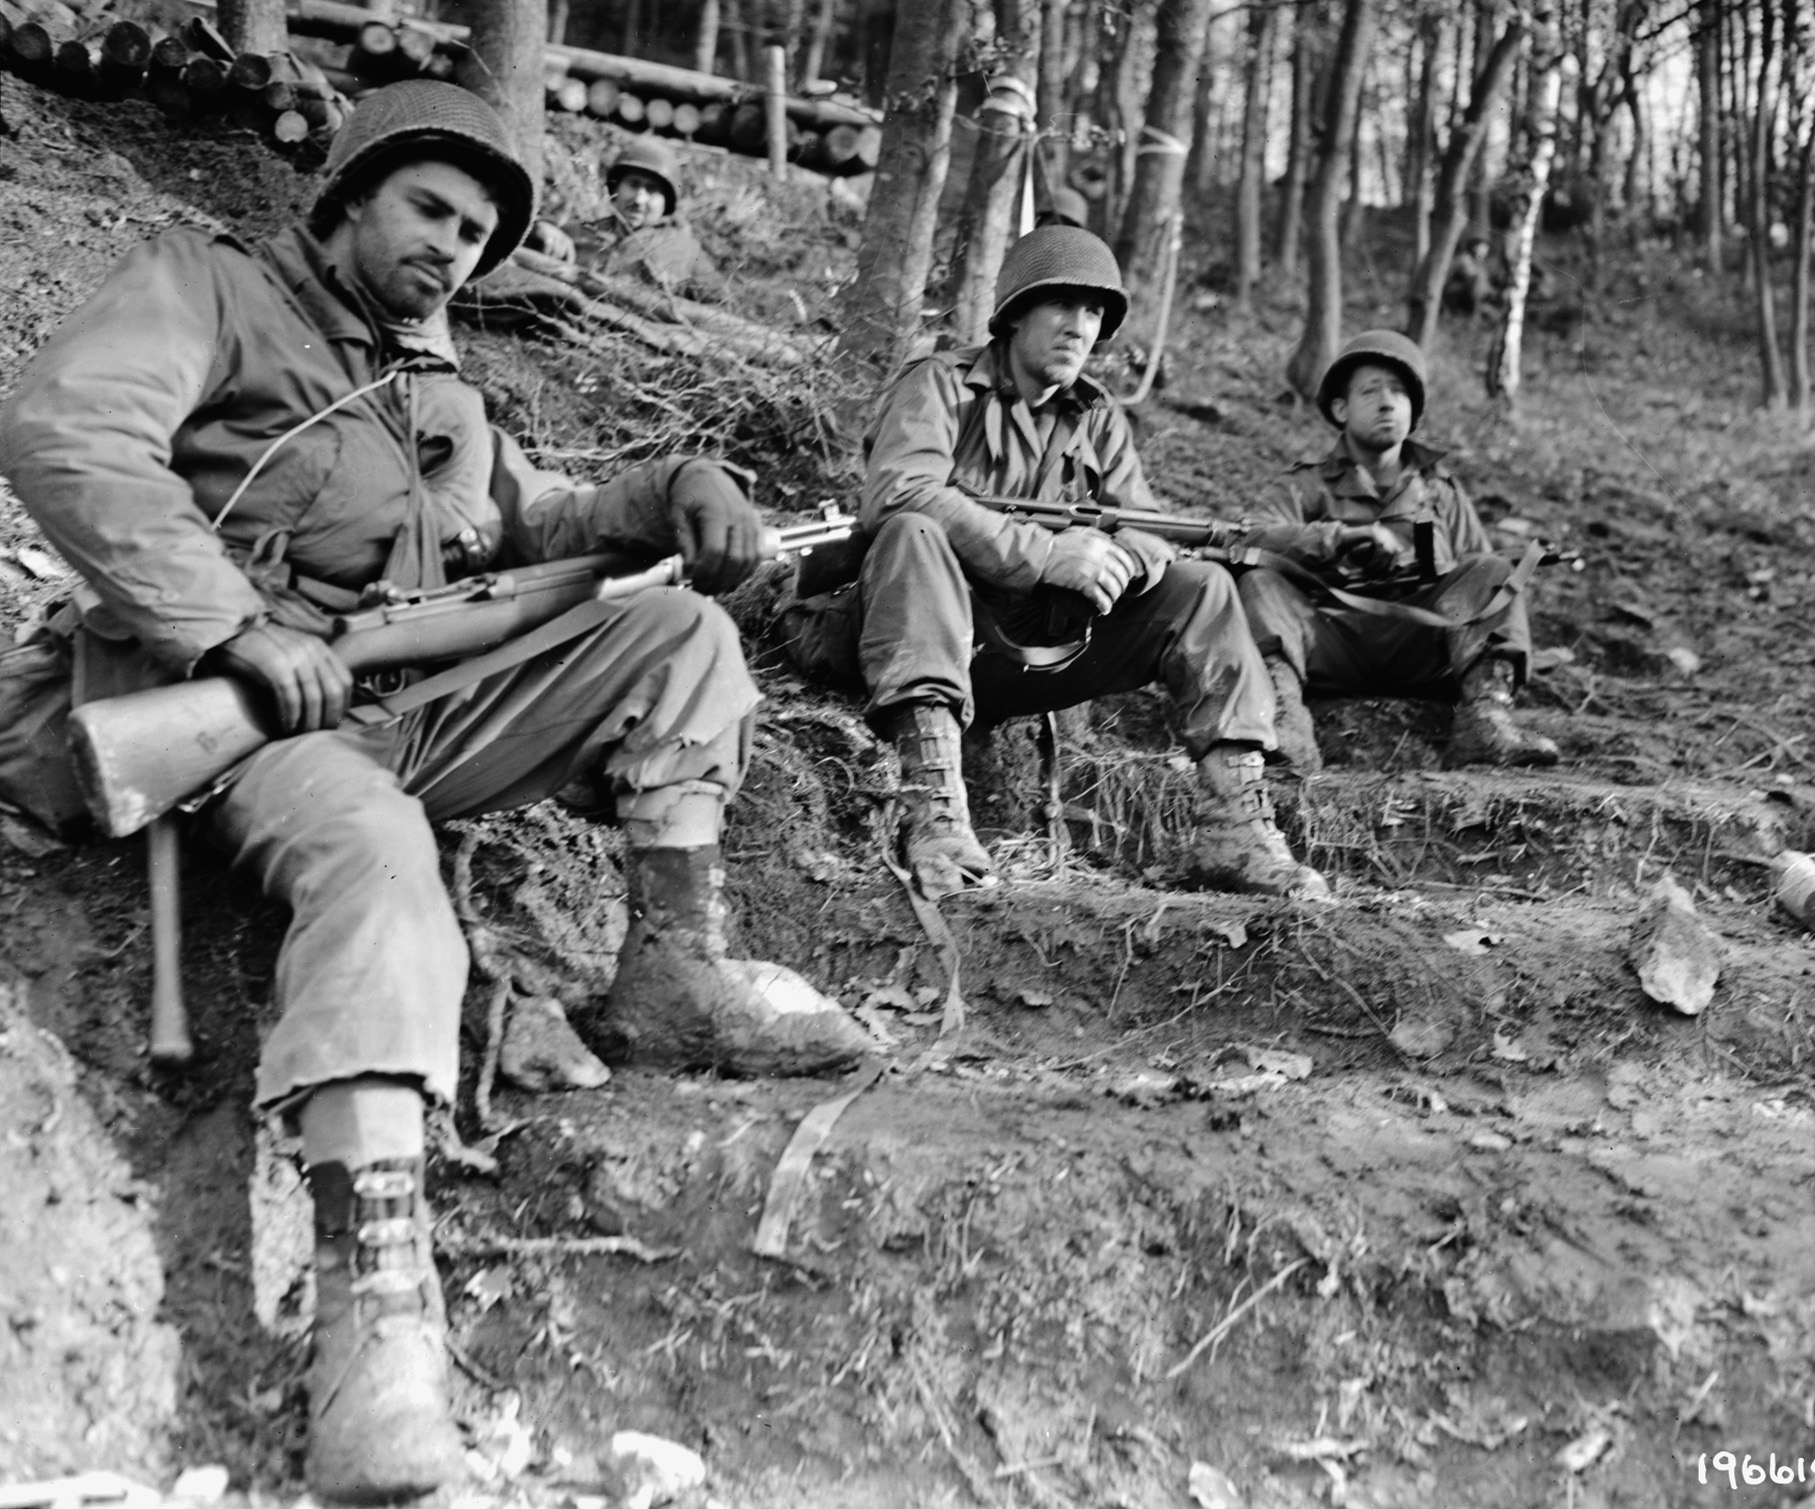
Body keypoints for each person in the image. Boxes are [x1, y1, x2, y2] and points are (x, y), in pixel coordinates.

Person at [0, 80, 867, 1501]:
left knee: (681, 632)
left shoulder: (437, 382)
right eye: (428, 210)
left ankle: (674, 966)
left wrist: (680, 486)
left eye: (476, 231)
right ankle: (376, 1323)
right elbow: (65, 431)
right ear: (346, 198)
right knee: (375, 847)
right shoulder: (208, 287)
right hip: (243, 720)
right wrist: (228, 624)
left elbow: (540, 524)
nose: (454, 248)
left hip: (407, 704)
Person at [843, 225, 1328, 903]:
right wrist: (1044, 554)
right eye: (1063, 305)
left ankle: (1235, 825)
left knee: (1205, 587)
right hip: (917, 633)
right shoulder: (940, 386)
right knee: (914, 531)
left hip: (1030, 647)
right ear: (1014, 314)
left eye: (1095, 312)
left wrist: (1117, 561)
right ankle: (934, 812)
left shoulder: (1098, 420)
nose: (1080, 326)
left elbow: (1150, 527)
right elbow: (899, 491)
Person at [1235, 329, 1561, 780]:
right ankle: (1285, 721)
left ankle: (1487, 719)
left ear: (1414, 410)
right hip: (1328, 643)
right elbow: (1251, 536)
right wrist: (1335, 539)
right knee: (1259, 582)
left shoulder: (1442, 491)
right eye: (1371, 391)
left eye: (1399, 392)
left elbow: (1481, 581)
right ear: (1340, 408)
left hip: (1422, 648)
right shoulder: (1306, 485)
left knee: (1495, 572)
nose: (1388, 403)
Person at [532, 138, 723, 299]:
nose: (639, 199)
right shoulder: (583, 231)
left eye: (651, 190)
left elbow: (718, 306)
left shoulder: (685, 248)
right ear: (616, 189)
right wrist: (541, 228)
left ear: (666, 202)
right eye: (633, 185)